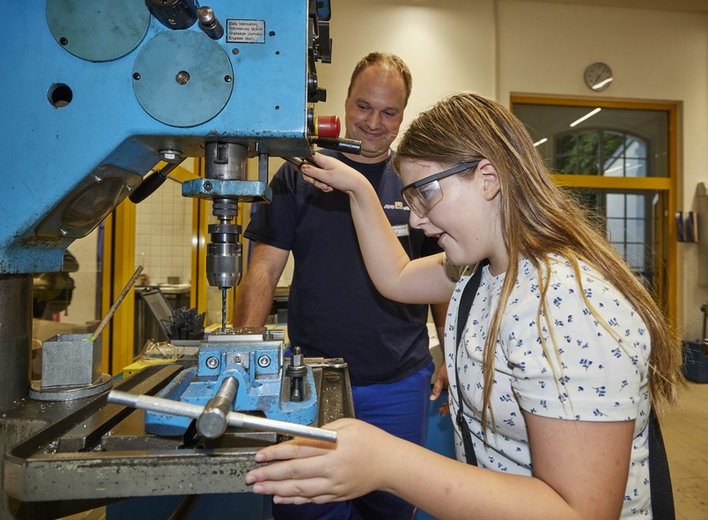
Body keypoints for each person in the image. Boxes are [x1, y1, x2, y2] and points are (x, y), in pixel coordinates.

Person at [245, 93, 685, 519]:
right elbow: (395, 277)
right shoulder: (481, 269)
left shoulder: (562, 301)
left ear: (488, 178)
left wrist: (388, 463)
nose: (415, 220)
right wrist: (359, 189)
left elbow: (581, 511)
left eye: (425, 195)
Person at [234, 52, 448, 519]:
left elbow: (439, 274)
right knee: (307, 506)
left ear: (404, 114)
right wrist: (245, 352)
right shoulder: (301, 173)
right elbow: (263, 270)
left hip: (398, 380)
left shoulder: (414, 184)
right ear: (345, 101)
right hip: (309, 379)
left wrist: (449, 352)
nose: (373, 122)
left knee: (391, 509)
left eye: (389, 112)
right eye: (363, 106)